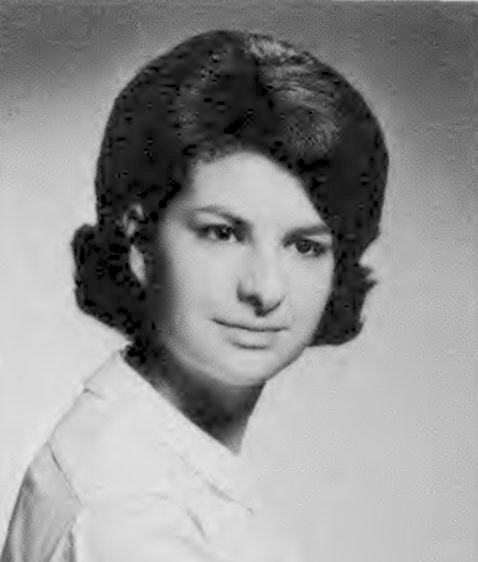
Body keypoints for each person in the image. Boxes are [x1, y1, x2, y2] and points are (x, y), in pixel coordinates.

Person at [1, 29, 388, 562]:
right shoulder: (132, 520)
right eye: (223, 233)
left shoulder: (154, 458)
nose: (265, 289)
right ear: (140, 243)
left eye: (304, 246)